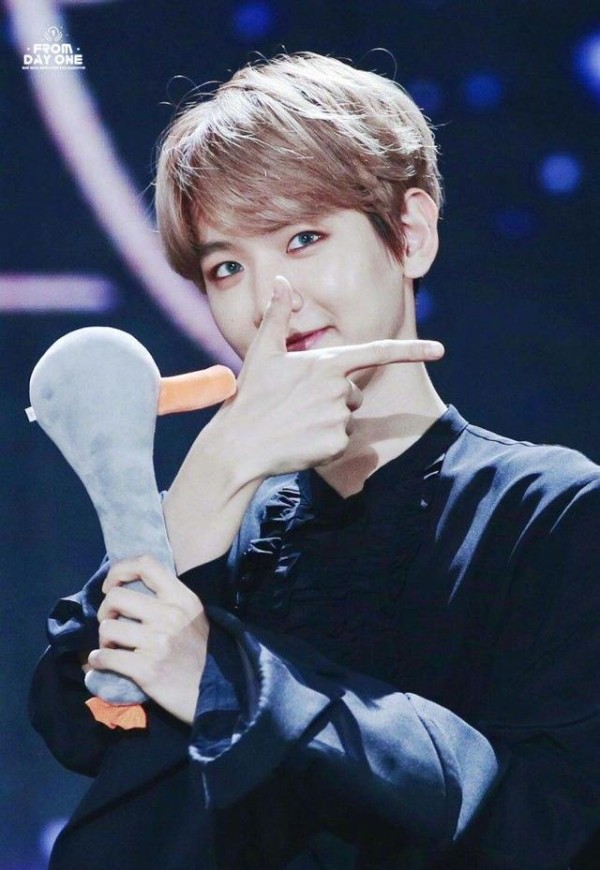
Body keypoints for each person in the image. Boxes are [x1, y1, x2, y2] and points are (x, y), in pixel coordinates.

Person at [30, 52, 600, 869]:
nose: (273, 299)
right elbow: (80, 718)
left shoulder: (553, 513)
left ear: (410, 234)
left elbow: (544, 827)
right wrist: (216, 469)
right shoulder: (226, 525)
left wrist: (226, 682)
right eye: (227, 267)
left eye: (304, 238)